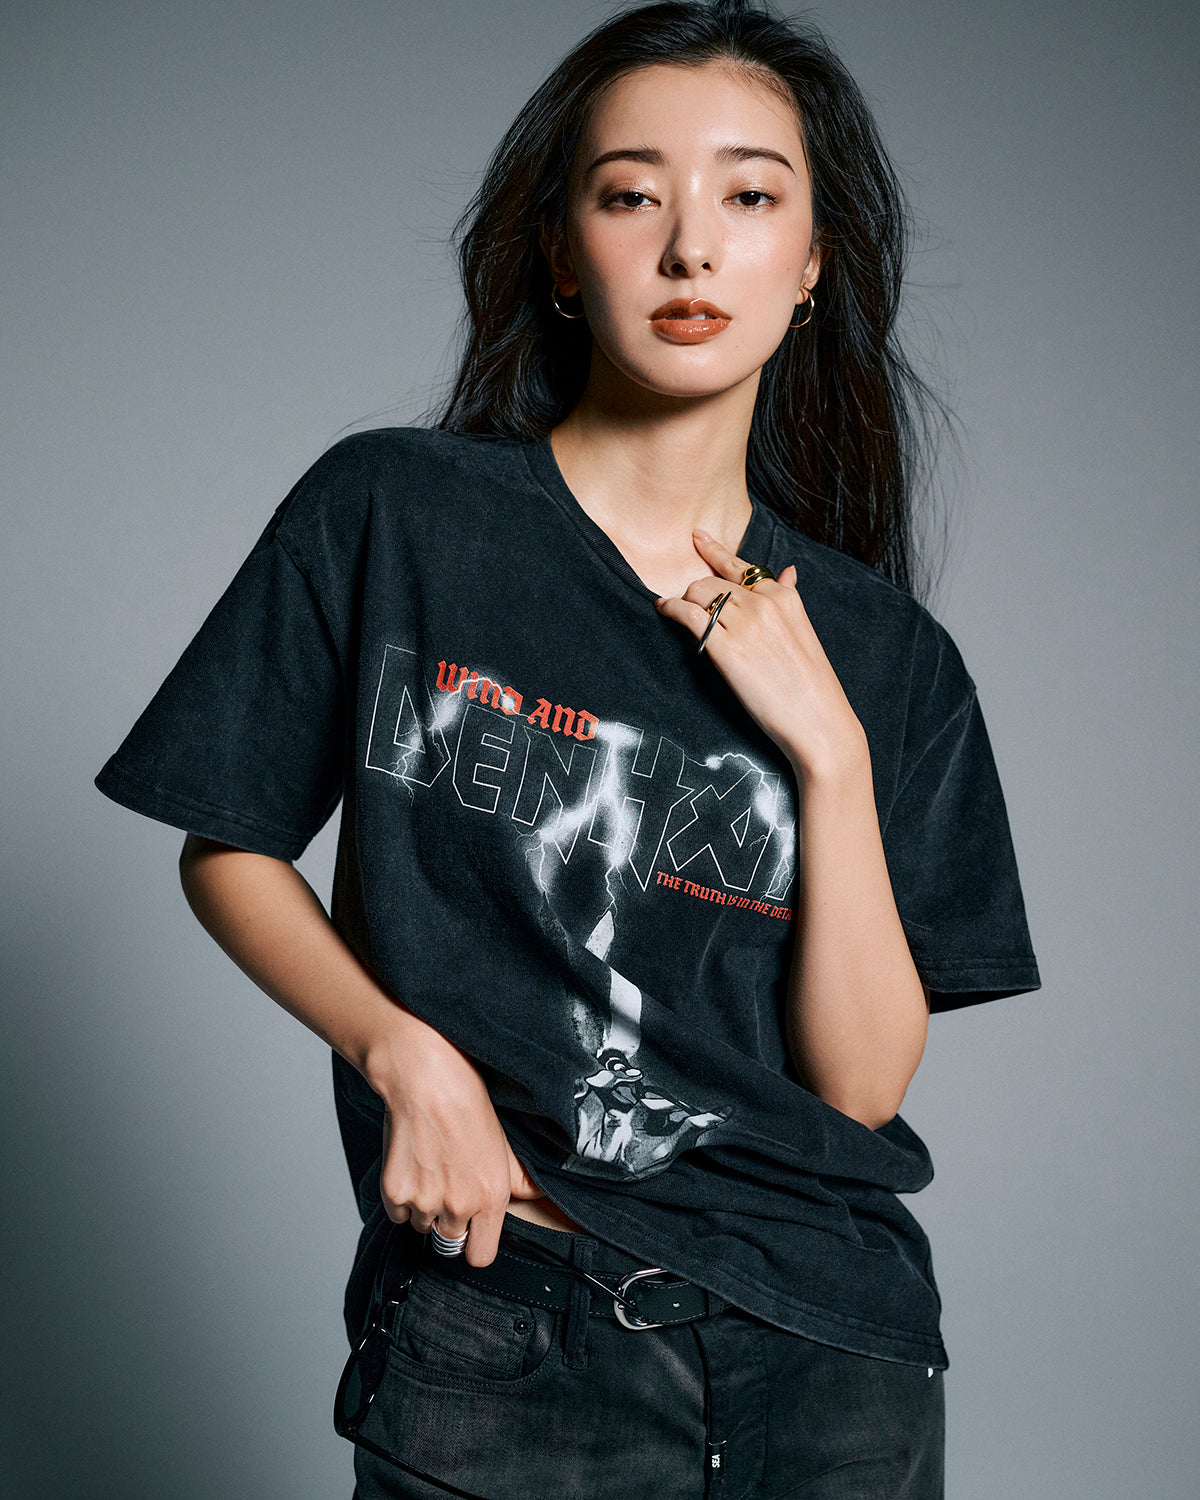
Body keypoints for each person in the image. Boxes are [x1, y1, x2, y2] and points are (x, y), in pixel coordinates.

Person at [95, 2, 1040, 1495]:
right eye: (630, 195)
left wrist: (833, 756)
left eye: (750, 197)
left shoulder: (888, 658)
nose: (690, 248)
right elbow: (230, 847)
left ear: (811, 266)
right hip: (508, 1317)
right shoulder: (397, 514)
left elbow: (858, 1088)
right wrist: (405, 1055)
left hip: (834, 1356)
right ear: (559, 250)